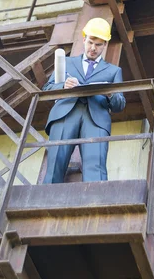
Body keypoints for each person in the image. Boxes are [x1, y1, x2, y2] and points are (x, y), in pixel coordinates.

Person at [42, 18, 126, 183]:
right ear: (84, 39)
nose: (93, 48)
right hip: (65, 114)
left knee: (96, 167)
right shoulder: (66, 62)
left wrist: (109, 93)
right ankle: (43, 203)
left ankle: (97, 205)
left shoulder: (113, 71)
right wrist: (63, 85)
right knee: (55, 164)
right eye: (90, 42)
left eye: (98, 44)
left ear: (105, 45)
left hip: (96, 119)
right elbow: (47, 89)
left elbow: (119, 104)